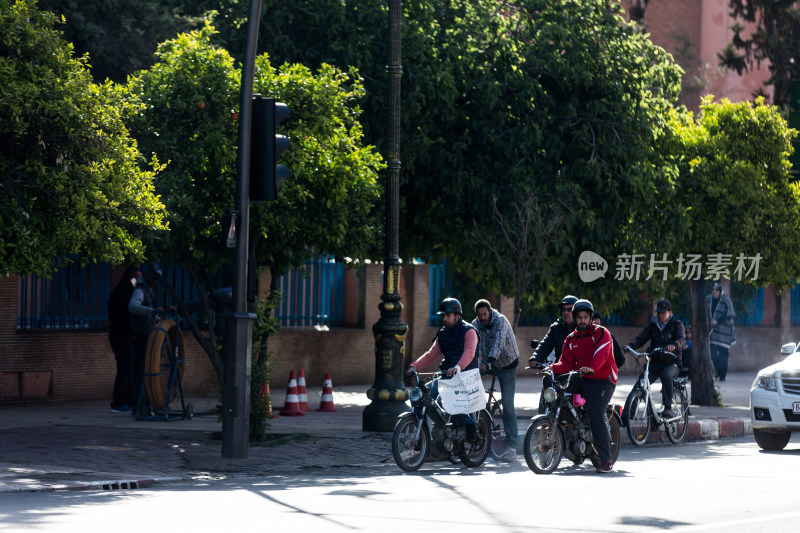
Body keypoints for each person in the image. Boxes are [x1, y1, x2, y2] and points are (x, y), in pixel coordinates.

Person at [550, 299, 617, 474]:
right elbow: (565, 363)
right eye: (578, 317)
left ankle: (606, 460)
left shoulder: (602, 333)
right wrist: (548, 368)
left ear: (591, 318)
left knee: (596, 414)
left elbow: (601, 355)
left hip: (603, 378)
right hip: (581, 376)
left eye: (585, 317)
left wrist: (592, 368)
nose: (582, 320)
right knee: (551, 383)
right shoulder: (571, 338)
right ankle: (560, 419)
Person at [405, 297, 480, 441]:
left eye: (448, 315)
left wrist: (458, 367)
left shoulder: (469, 331)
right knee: (419, 395)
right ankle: (435, 429)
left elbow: (469, 353)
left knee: (443, 398)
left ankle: (470, 424)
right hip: (447, 377)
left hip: (466, 377)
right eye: (443, 316)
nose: (444, 318)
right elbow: (430, 355)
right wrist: (414, 366)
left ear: (457, 316)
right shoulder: (443, 333)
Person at [472, 299, 519, 462]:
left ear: (490, 311)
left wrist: (489, 361)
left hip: (506, 364)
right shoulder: (475, 324)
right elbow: (472, 345)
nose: (482, 318)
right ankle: (480, 421)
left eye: (484, 314)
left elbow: (498, 344)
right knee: (469, 385)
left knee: (508, 406)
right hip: (488, 363)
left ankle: (512, 446)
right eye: (479, 315)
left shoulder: (501, 321)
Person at [625, 299, 686, 419]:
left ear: (669, 312)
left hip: (672, 362)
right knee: (641, 384)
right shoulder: (653, 325)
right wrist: (630, 346)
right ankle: (626, 417)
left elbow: (681, 339)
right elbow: (641, 338)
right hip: (656, 362)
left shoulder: (676, 324)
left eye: (663, 313)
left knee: (666, 375)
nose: (660, 315)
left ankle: (667, 409)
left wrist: (674, 345)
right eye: (658, 312)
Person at [128, 263, 175, 415]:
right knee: (141, 371)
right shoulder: (140, 290)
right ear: (148, 275)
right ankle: (139, 406)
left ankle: (144, 405)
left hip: (146, 334)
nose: (155, 282)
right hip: (140, 336)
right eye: (154, 278)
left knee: (145, 370)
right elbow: (132, 307)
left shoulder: (150, 290)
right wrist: (151, 311)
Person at [107, 265, 140, 413]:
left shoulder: (126, 292)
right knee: (125, 367)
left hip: (124, 334)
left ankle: (128, 400)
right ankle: (120, 402)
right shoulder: (123, 293)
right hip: (121, 335)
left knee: (129, 367)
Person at [529, 295, 578, 365]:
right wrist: (535, 357)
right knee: (547, 376)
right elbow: (544, 345)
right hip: (560, 369)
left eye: (569, 309)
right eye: (564, 310)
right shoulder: (556, 328)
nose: (566, 312)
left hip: (580, 370)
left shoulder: (583, 328)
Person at [707, 282, 736, 381]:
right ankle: (719, 372)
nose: (713, 291)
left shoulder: (726, 300)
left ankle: (722, 376)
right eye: (712, 289)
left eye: (715, 289)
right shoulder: (709, 299)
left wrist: (717, 320)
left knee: (723, 354)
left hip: (725, 333)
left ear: (719, 291)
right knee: (713, 353)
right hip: (713, 332)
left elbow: (731, 314)